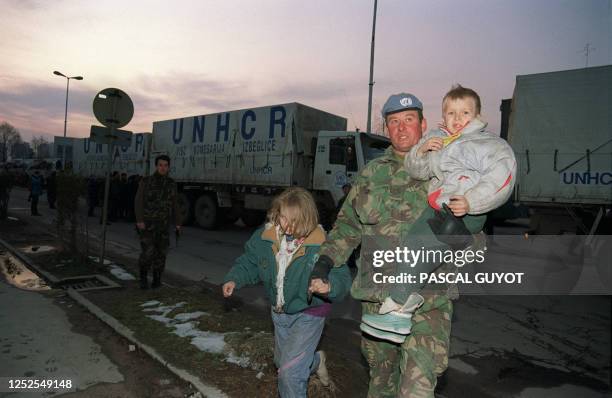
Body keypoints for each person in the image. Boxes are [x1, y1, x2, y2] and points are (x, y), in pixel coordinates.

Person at [308, 93, 476, 397]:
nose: (401, 128)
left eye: (409, 120)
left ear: (424, 125)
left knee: (416, 387)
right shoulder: (371, 174)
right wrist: (324, 263)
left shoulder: (450, 170)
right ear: (386, 129)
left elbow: (475, 228)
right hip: (377, 302)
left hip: (429, 300)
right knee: (381, 385)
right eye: (393, 122)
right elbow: (347, 227)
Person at [222, 187, 351, 397]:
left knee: (290, 375)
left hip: (310, 313)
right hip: (279, 312)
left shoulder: (322, 243)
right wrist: (234, 278)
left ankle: (305, 366)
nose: (288, 225)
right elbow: (250, 262)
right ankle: (316, 361)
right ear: (277, 213)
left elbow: (341, 276)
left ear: (307, 218)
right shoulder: (266, 237)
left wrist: (329, 286)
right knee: (283, 365)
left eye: (294, 220)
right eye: (283, 217)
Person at [405, 84, 516, 217]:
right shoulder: (434, 139)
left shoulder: (488, 144)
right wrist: (421, 152)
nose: (457, 117)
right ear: (444, 117)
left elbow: (501, 176)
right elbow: (416, 173)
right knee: (414, 236)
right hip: (438, 206)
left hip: (467, 210)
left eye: (465, 112)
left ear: (477, 116)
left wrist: (471, 202)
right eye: (451, 113)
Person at [134, 155, 180, 289]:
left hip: (163, 225)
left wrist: (178, 222)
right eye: (160, 165)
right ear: (156, 166)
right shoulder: (146, 181)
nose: (163, 168)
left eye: (166, 165)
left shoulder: (171, 184)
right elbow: (138, 201)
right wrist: (140, 220)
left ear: (169, 167)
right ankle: (143, 278)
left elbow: (175, 204)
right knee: (147, 253)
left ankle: (157, 279)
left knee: (161, 254)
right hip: (148, 224)